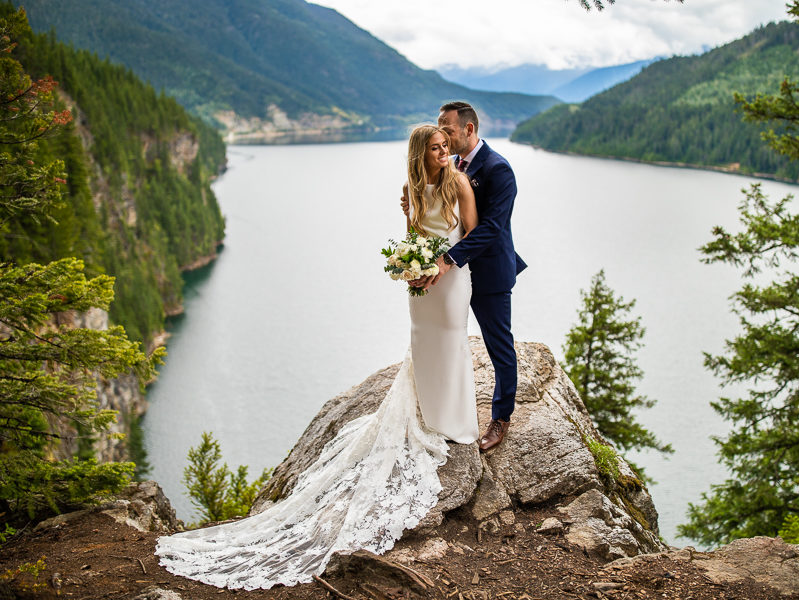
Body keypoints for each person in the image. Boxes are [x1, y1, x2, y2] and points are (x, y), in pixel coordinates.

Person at [154, 125, 479, 590]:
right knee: (423, 344)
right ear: (419, 153)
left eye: (447, 146)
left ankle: (455, 419)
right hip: (420, 284)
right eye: (436, 147)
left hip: (450, 281)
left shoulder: (459, 183)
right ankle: (430, 414)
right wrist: (411, 264)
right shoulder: (410, 189)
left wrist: (441, 265)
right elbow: (410, 236)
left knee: (452, 339)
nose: (444, 153)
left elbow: (470, 233)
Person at [403, 101, 526, 452]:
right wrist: (413, 205)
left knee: (499, 348)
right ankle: (439, 410)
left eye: (448, 128)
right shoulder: (452, 165)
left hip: (488, 272)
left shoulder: (499, 168)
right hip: (450, 278)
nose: (443, 133)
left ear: (469, 130)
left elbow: (490, 227)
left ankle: (500, 419)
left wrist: (447, 260)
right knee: (443, 340)